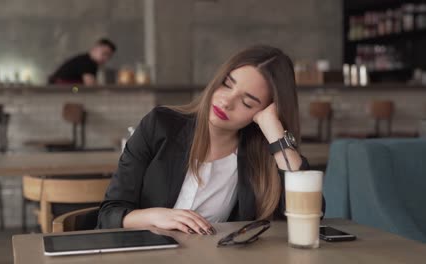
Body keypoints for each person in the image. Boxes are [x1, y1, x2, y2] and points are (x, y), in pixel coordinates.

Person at [97, 45, 323, 235]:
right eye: (227, 84)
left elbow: (309, 216)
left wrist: (275, 132)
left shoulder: (263, 155)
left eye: (247, 102)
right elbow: (109, 214)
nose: (226, 102)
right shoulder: (160, 125)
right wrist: (156, 216)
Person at [48, 38, 116, 85]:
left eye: (109, 57)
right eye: (104, 53)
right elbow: (90, 85)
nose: (106, 59)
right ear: (96, 48)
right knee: (77, 89)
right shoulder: (87, 62)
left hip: (65, 89)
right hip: (63, 88)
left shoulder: (87, 60)